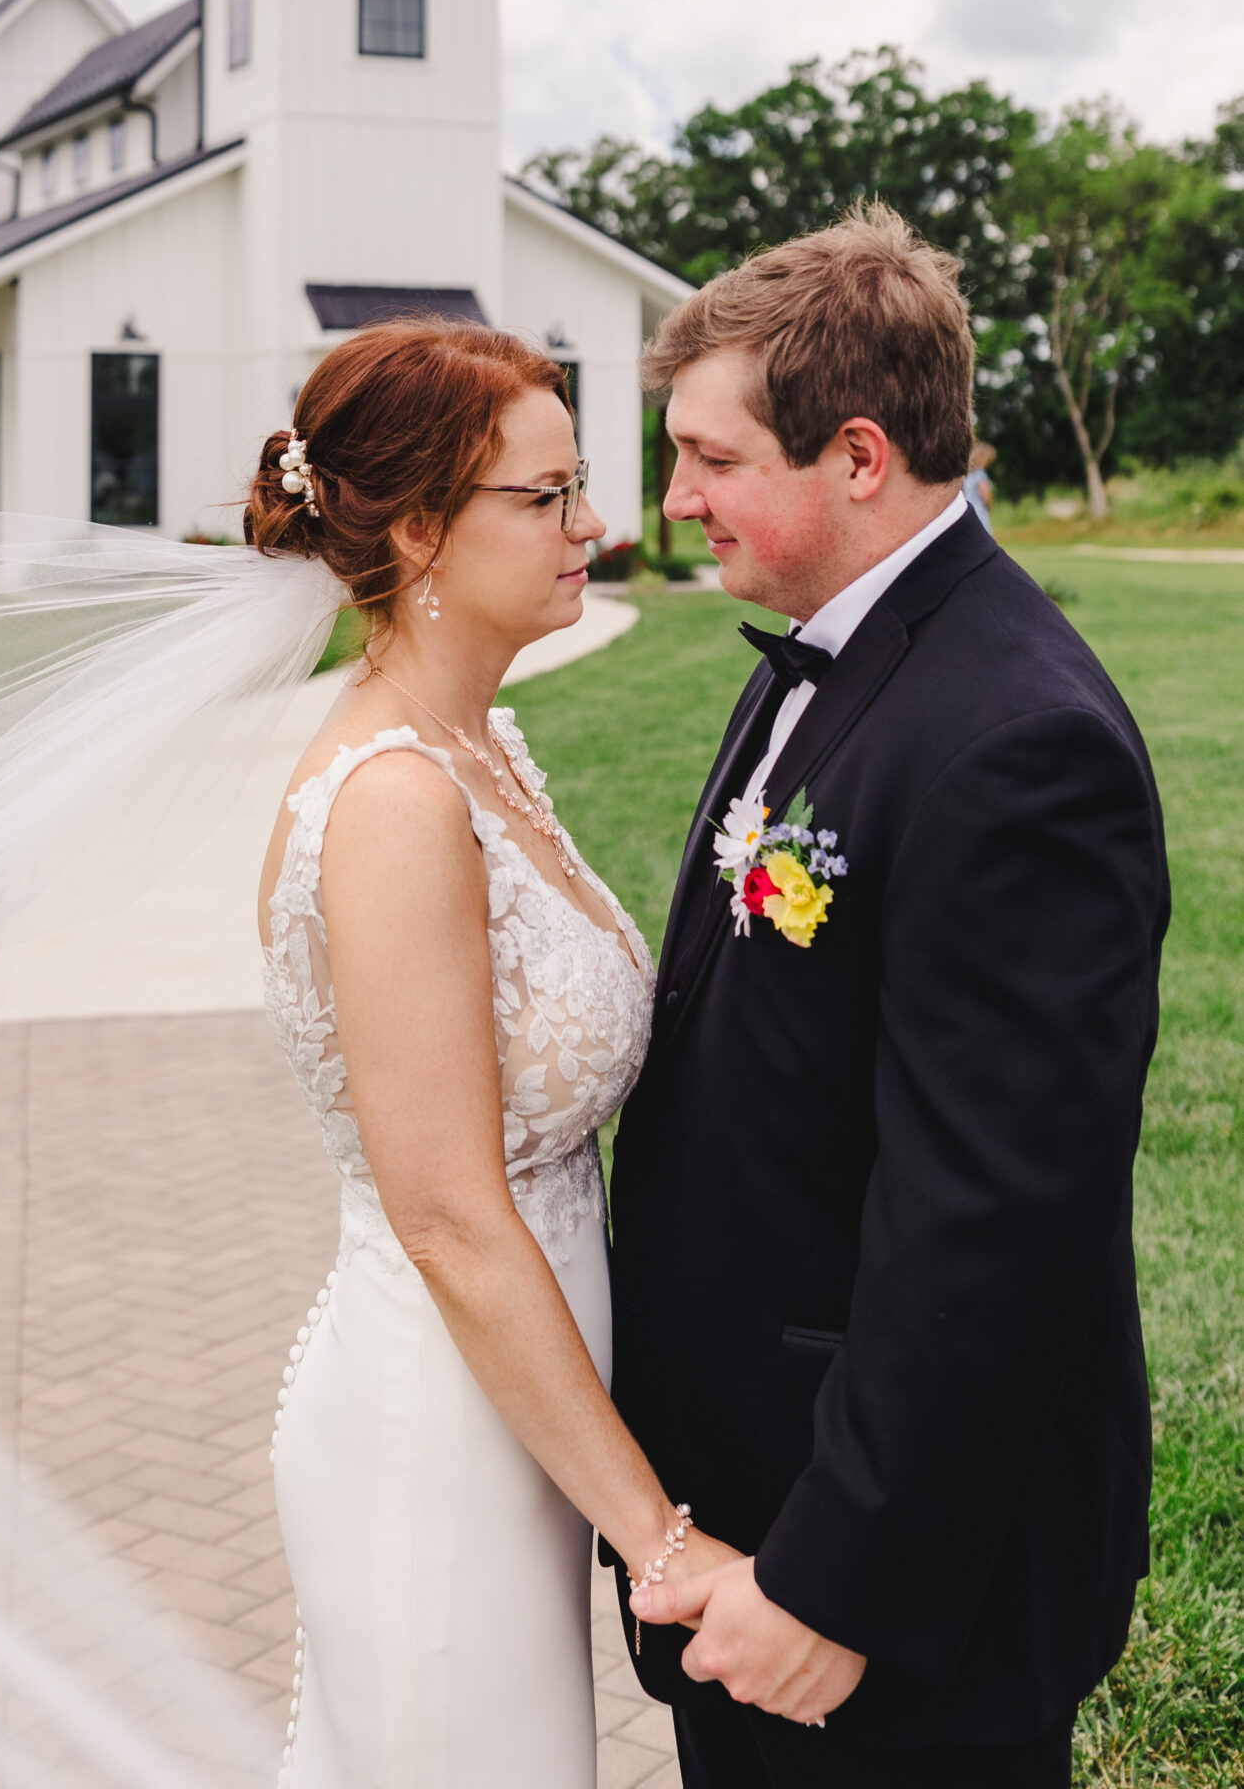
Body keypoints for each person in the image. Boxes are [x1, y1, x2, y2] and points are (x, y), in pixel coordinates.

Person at [610, 205, 1168, 1788]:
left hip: (883, 1593)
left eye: (711, 459)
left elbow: (993, 1224)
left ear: (856, 458)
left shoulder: (1015, 741)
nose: (675, 500)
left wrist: (829, 1580)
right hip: (748, 1524)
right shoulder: (825, 656)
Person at [247, 320, 741, 1788]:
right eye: (544, 496)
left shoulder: (483, 750)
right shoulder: (394, 803)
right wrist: (658, 1538)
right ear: (415, 532)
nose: (595, 524)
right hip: (437, 1440)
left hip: (522, 1424)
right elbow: (454, 1221)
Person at [962, 438, 997, 533]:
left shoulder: (967, 474)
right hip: (980, 511)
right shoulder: (980, 474)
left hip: (968, 511)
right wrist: (989, 507)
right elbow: (985, 495)